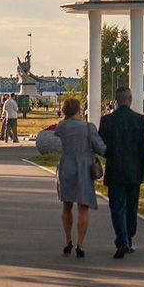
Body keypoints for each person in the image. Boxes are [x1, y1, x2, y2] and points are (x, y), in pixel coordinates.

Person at [98, 87, 144, 259]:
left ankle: (122, 241)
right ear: (130, 99)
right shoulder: (139, 120)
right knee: (131, 207)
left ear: (116, 100)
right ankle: (128, 240)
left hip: (114, 171)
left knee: (117, 207)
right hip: (134, 172)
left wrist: (110, 154)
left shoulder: (106, 121)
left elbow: (102, 147)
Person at [54, 97, 107, 258]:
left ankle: (68, 240)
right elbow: (101, 148)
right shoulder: (88, 127)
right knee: (83, 208)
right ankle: (80, 244)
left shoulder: (61, 126)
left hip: (66, 167)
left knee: (66, 205)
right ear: (79, 110)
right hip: (83, 168)